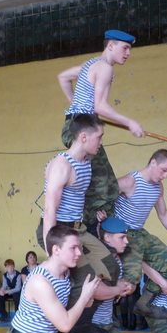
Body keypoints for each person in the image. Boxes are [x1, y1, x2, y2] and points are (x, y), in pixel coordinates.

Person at [57, 29, 144, 230]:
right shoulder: (105, 68)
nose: (128, 53)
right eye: (125, 48)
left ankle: (95, 219)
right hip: (82, 131)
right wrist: (130, 122)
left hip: (75, 127)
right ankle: (93, 225)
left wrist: (76, 106)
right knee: (104, 183)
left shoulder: (90, 64)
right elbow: (100, 107)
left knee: (101, 180)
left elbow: (63, 77)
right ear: (110, 46)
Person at [37, 113, 112, 281]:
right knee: (85, 279)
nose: (101, 143)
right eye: (99, 137)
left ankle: (93, 300)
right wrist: (53, 251)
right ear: (83, 137)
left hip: (78, 229)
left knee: (110, 268)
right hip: (58, 230)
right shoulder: (62, 166)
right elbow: (49, 210)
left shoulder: (86, 161)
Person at [114, 149, 167, 316]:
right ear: (153, 163)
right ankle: (107, 310)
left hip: (139, 232)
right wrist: (102, 220)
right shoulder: (129, 181)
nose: (165, 175)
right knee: (131, 279)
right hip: (123, 233)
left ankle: (143, 302)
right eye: (164, 170)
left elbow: (163, 214)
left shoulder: (158, 187)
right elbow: (102, 199)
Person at [0, 259, 22, 323]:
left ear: (14, 266)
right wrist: (1, 291)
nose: (9, 268)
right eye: (7, 266)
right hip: (8, 291)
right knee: (0, 296)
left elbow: (18, 288)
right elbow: (4, 286)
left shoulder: (18, 275)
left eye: (11, 266)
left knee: (17, 296)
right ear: (5, 267)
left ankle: (17, 315)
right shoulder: (4, 275)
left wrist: (6, 292)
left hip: (16, 292)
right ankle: (4, 314)